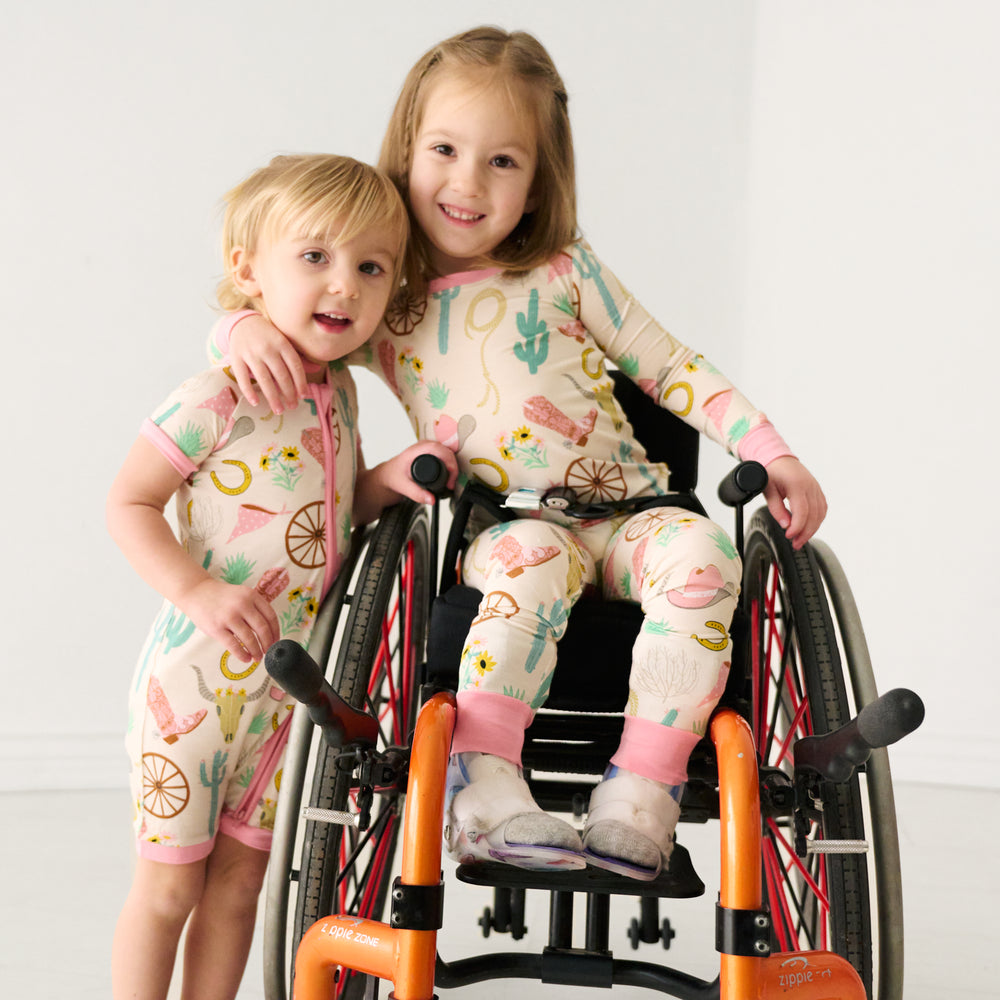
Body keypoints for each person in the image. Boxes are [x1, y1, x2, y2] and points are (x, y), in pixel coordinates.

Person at [211, 28, 827, 882]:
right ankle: (487, 780)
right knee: (531, 558)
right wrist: (236, 324)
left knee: (704, 553)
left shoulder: (565, 270)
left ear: (538, 182)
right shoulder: (387, 293)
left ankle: (640, 792)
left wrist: (772, 450)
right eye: (444, 150)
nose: (467, 182)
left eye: (503, 161)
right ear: (406, 151)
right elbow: (294, 312)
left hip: (634, 515)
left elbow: (671, 364)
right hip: (508, 526)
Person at [107, 153, 456, 1000]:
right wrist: (195, 590)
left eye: (371, 267)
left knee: (236, 893)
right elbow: (128, 503)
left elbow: (333, 512)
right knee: (167, 892)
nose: (344, 284)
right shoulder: (219, 395)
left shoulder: (338, 395)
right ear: (247, 272)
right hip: (192, 689)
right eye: (315, 257)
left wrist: (390, 480)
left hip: (286, 698)